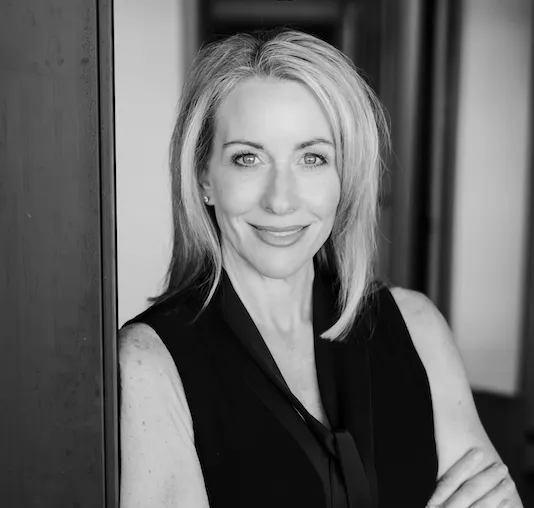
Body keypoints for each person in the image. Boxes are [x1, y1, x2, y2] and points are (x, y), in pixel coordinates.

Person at [118, 29, 523, 507]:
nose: (281, 200)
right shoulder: (149, 361)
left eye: (312, 158)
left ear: (344, 177)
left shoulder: (418, 328)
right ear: (204, 175)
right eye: (248, 158)